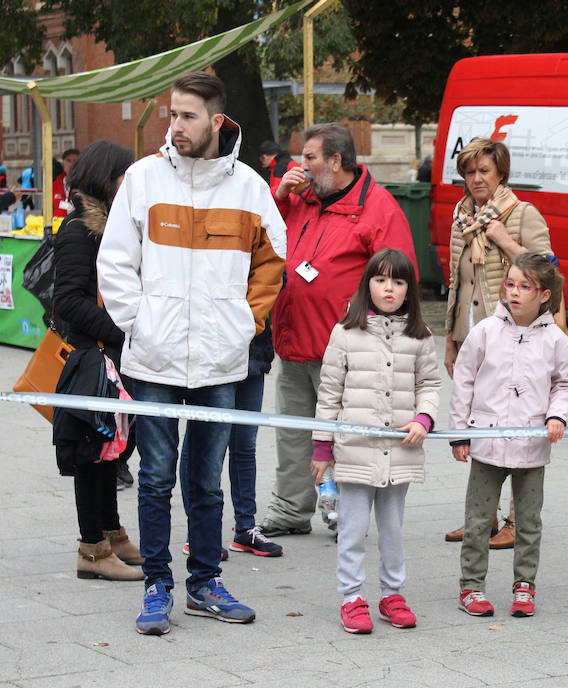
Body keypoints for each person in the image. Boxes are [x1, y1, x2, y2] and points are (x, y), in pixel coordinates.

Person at [97, 72, 287, 636]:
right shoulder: (142, 178)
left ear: (216, 121)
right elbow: (114, 264)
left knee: (206, 481)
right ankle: (158, 585)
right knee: (155, 478)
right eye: (171, 115)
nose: (174, 126)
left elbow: (272, 262)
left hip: (221, 362)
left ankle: (204, 583)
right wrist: (143, 326)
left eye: (186, 117)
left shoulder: (249, 188)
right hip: (152, 360)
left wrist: (242, 327)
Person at [260, 122, 416, 538]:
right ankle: (291, 508)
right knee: (293, 431)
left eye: (309, 157)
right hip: (294, 339)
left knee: (346, 438)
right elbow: (262, 237)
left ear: (335, 161)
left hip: (349, 349)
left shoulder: (378, 208)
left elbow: (399, 277)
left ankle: (346, 511)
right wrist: (279, 196)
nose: (301, 165)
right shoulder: (302, 198)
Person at [311, 248, 441, 634]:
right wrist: (322, 447)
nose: (389, 288)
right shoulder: (346, 333)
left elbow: (430, 385)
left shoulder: (420, 336)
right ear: (368, 284)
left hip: (400, 452)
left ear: (409, 290)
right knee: (351, 530)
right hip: (354, 451)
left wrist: (424, 417)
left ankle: (392, 593)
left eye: (398, 282)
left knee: (392, 529)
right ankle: (352, 597)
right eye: (381, 280)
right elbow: (329, 392)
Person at [443, 137, 560, 549]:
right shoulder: (461, 217)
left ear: (501, 174)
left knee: (517, 420)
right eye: (470, 172)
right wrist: (451, 339)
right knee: (480, 417)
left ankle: (514, 518)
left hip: (516, 332)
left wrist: (505, 240)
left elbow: (548, 269)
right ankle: (484, 517)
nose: (476, 179)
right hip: (473, 329)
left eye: (484, 172)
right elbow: (456, 282)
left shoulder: (521, 212)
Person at [450, 252, 568, 618]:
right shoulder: (486, 330)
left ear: (545, 294)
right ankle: (471, 586)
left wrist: (557, 416)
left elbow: (564, 385)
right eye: (510, 284)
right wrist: (460, 434)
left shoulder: (556, 340)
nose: (515, 292)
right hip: (487, 442)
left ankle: (525, 586)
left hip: (532, 445)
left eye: (525, 286)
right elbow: (464, 381)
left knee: (529, 521)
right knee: (477, 519)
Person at [51, 140, 143, 582]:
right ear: (107, 178)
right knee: (93, 453)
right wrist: (120, 333)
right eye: (125, 174)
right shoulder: (78, 229)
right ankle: (91, 551)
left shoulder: (111, 226)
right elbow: (67, 299)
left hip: (109, 359)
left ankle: (111, 532)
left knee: (111, 452)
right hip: (93, 359)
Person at [180, 321, 283, 560]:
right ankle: (198, 532)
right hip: (211, 354)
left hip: (252, 351)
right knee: (201, 445)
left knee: (245, 445)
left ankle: (245, 529)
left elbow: (275, 284)